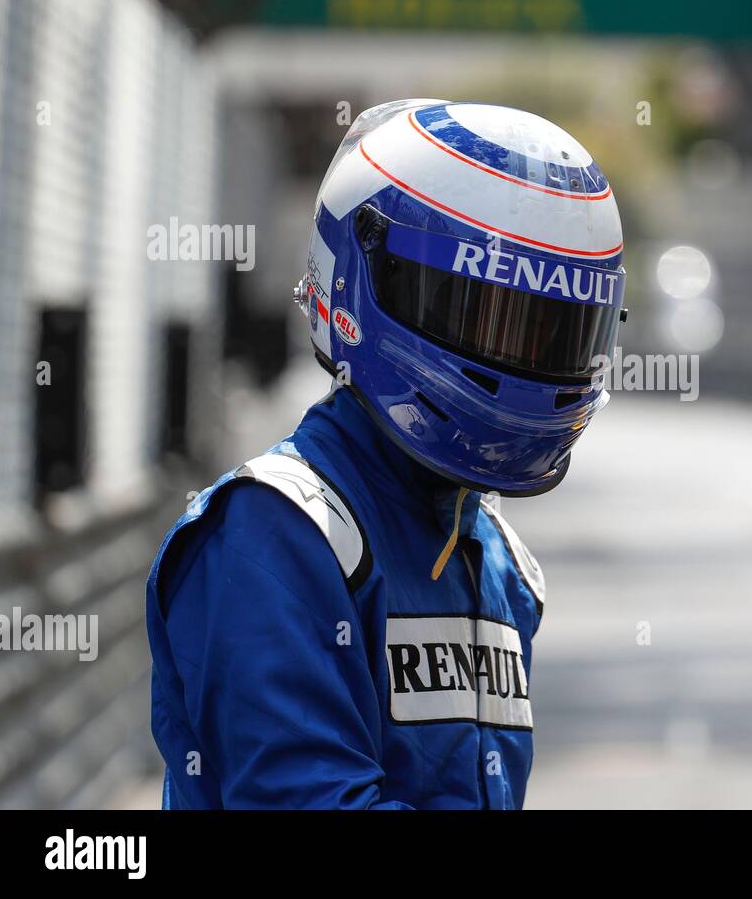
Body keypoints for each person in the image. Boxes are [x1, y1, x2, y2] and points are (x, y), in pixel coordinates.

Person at [145, 99, 626, 808]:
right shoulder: (275, 533)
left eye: (552, 332)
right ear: (365, 278)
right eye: (485, 316)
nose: (522, 360)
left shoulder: (503, 567)